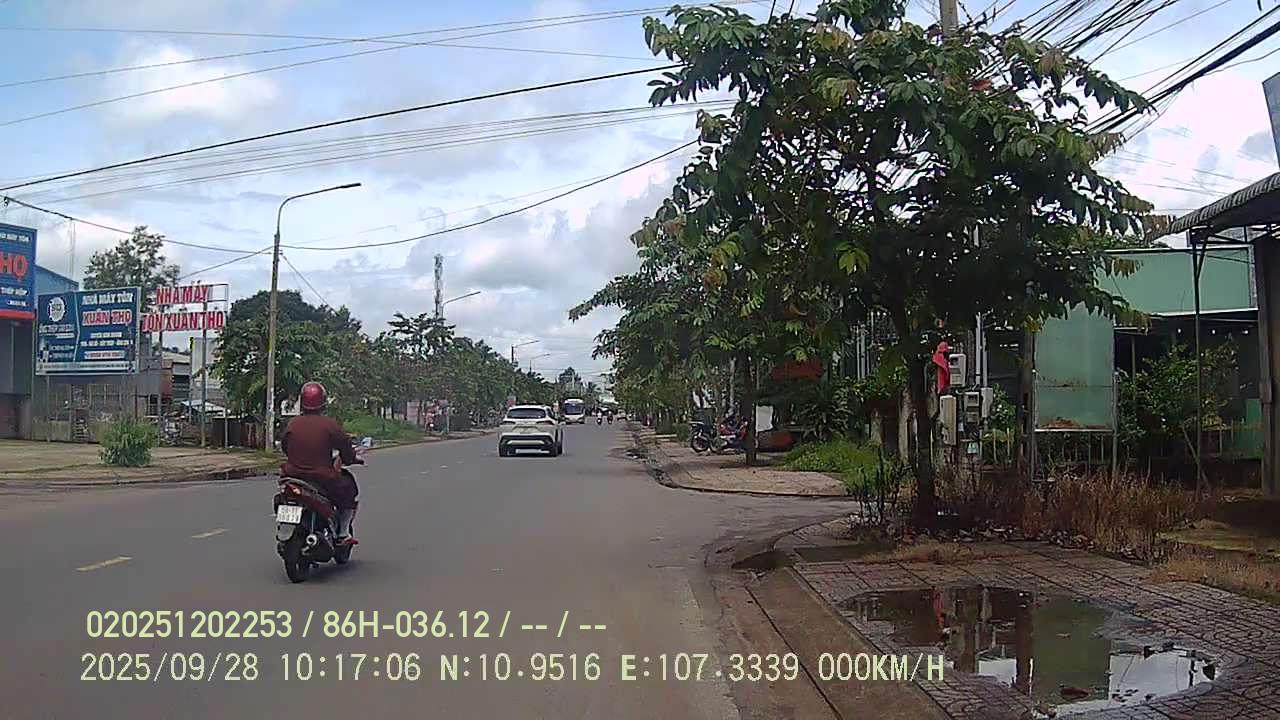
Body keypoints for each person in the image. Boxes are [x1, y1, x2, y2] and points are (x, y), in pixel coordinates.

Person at [280, 381, 361, 543]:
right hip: (322, 477)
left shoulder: (293, 423)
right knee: (348, 489)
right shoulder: (329, 424)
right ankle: (343, 532)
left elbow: (285, 446)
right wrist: (352, 459)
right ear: (323, 402)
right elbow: (345, 446)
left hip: (293, 475)